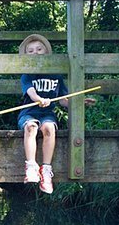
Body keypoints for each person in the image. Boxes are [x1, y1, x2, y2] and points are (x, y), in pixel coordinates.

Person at [17, 34, 95, 194]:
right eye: (30, 51)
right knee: (31, 127)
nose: (36, 53)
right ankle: (31, 166)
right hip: (29, 113)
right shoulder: (27, 74)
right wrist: (39, 99)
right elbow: (31, 92)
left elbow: (63, 100)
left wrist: (78, 102)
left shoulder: (56, 76)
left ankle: (46, 170)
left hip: (47, 114)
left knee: (49, 129)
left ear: (47, 52)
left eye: (39, 49)